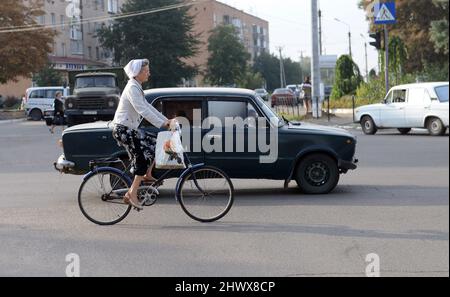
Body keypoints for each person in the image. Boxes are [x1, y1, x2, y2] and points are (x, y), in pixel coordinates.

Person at [112, 59, 174, 210]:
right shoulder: (132, 88)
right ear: (137, 73)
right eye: (146, 71)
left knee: (155, 144)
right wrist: (164, 124)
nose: (149, 73)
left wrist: (168, 121)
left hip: (129, 129)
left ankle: (146, 174)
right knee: (140, 158)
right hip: (123, 129)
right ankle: (131, 193)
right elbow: (143, 111)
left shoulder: (137, 87)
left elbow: (148, 107)